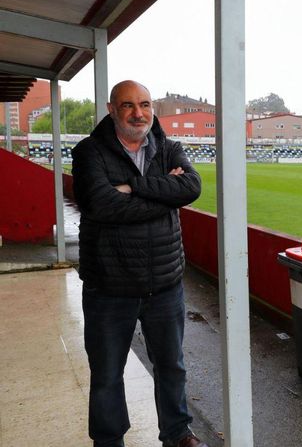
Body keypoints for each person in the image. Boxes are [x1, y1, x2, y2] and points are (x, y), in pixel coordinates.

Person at [72, 80, 207, 447]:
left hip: (164, 282)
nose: (138, 113)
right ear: (111, 109)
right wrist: (164, 191)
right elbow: (101, 205)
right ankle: (109, 438)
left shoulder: (169, 147)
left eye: (145, 104)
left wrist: (132, 186)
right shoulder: (89, 152)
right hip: (110, 286)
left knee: (171, 366)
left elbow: (191, 188)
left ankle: (178, 433)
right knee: (107, 373)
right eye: (128, 105)